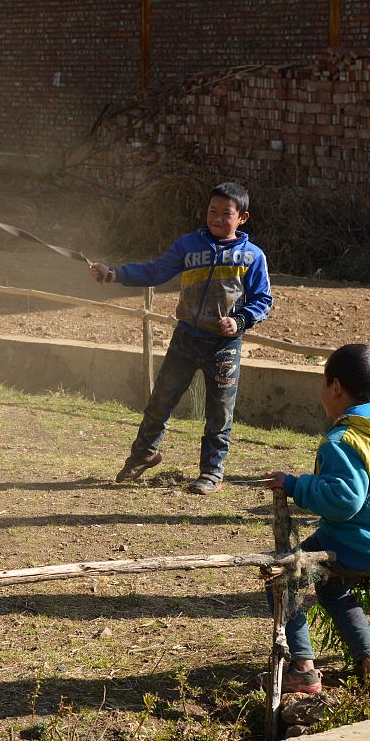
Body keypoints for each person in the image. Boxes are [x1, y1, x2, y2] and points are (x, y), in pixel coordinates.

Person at [88, 182, 272, 495]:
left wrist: (240, 321)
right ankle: (144, 453)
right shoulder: (188, 246)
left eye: (225, 213)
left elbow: (263, 299)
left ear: (242, 217)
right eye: (211, 211)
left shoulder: (252, 257)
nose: (215, 218)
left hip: (224, 347)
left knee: (219, 412)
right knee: (161, 399)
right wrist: (113, 274)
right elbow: (154, 272)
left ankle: (212, 472)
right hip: (186, 338)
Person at [264, 343, 370, 693]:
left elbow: (344, 500)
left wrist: (296, 485)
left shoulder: (343, 439)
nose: (321, 390)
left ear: (336, 387)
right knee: (332, 588)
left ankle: (303, 668)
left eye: (323, 381)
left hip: (353, 544)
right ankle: (367, 657)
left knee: (283, 577)